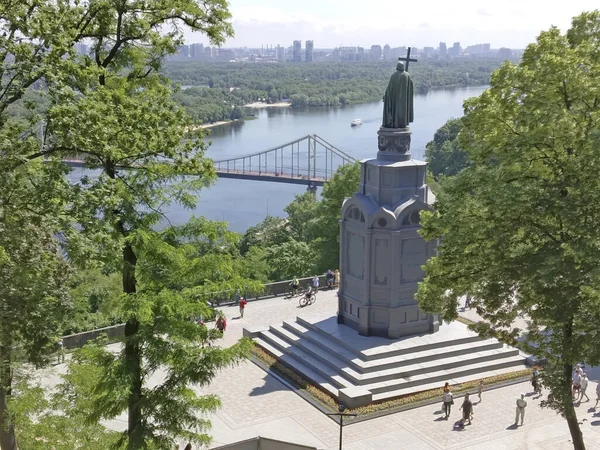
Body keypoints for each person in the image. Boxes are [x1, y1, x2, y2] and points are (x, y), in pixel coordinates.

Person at [382, 61, 414, 129]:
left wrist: (386, 96)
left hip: (395, 100)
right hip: (404, 101)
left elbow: (390, 88)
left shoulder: (394, 75)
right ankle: (403, 123)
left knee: (395, 110)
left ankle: (394, 123)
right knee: (403, 111)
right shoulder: (407, 75)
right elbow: (410, 88)